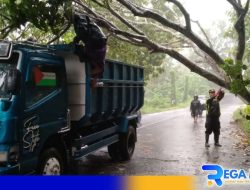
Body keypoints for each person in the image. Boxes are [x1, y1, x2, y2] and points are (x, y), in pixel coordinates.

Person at [73, 14, 107, 88]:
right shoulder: (88, 23)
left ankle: (93, 82)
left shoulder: (80, 25)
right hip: (97, 45)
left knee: (98, 67)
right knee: (99, 68)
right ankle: (91, 80)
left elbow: (78, 38)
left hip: (94, 46)